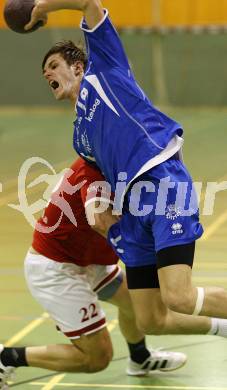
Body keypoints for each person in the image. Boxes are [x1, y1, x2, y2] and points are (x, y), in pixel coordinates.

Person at [26, 0, 227, 333]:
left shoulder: (103, 69)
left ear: (77, 67)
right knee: (150, 320)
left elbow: (88, 3)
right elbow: (96, 177)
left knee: (179, 296)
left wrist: (41, 7)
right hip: (132, 209)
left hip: (161, 182)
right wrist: (94, 200)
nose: (47, 72)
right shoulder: (80, 137)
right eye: (44, 70)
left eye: (53, 64)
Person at [0, 158, 188, 390]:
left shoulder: (118, 164)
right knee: (96, 358)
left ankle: (139, 358)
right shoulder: (93, 172)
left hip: (90, 262)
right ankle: (7, 357)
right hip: (57, 269)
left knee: (135, 302)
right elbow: (101, 221)